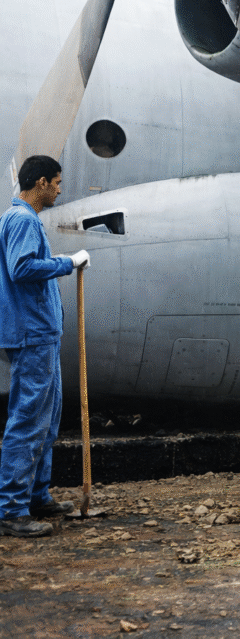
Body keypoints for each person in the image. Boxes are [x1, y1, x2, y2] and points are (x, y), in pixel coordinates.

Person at [0, 155, 89, 538]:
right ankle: (11, 509)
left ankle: (37, 495)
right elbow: (22, 269)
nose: (58, 189)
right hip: (32, 334)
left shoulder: (20, 219)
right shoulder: (21, 220)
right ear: (39, 183)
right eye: (55, 182)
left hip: (39, 335)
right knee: (28, 421)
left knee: (47, 420)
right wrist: (66, 262)